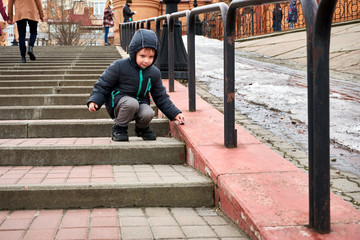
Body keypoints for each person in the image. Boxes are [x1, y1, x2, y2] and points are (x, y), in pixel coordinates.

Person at [87, 29, 185, 141]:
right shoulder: (119, 66)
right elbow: (103, 85)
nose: (146, 61)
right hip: (119, 104)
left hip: (140, 103)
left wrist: (175, 113)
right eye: (142, 56)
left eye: (151, 57)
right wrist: (95, 100)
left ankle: (141, 129)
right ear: (134, 53)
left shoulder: (154, 73)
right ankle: (119, 128)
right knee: (131, 103)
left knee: (149, 112)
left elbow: (161, 97)